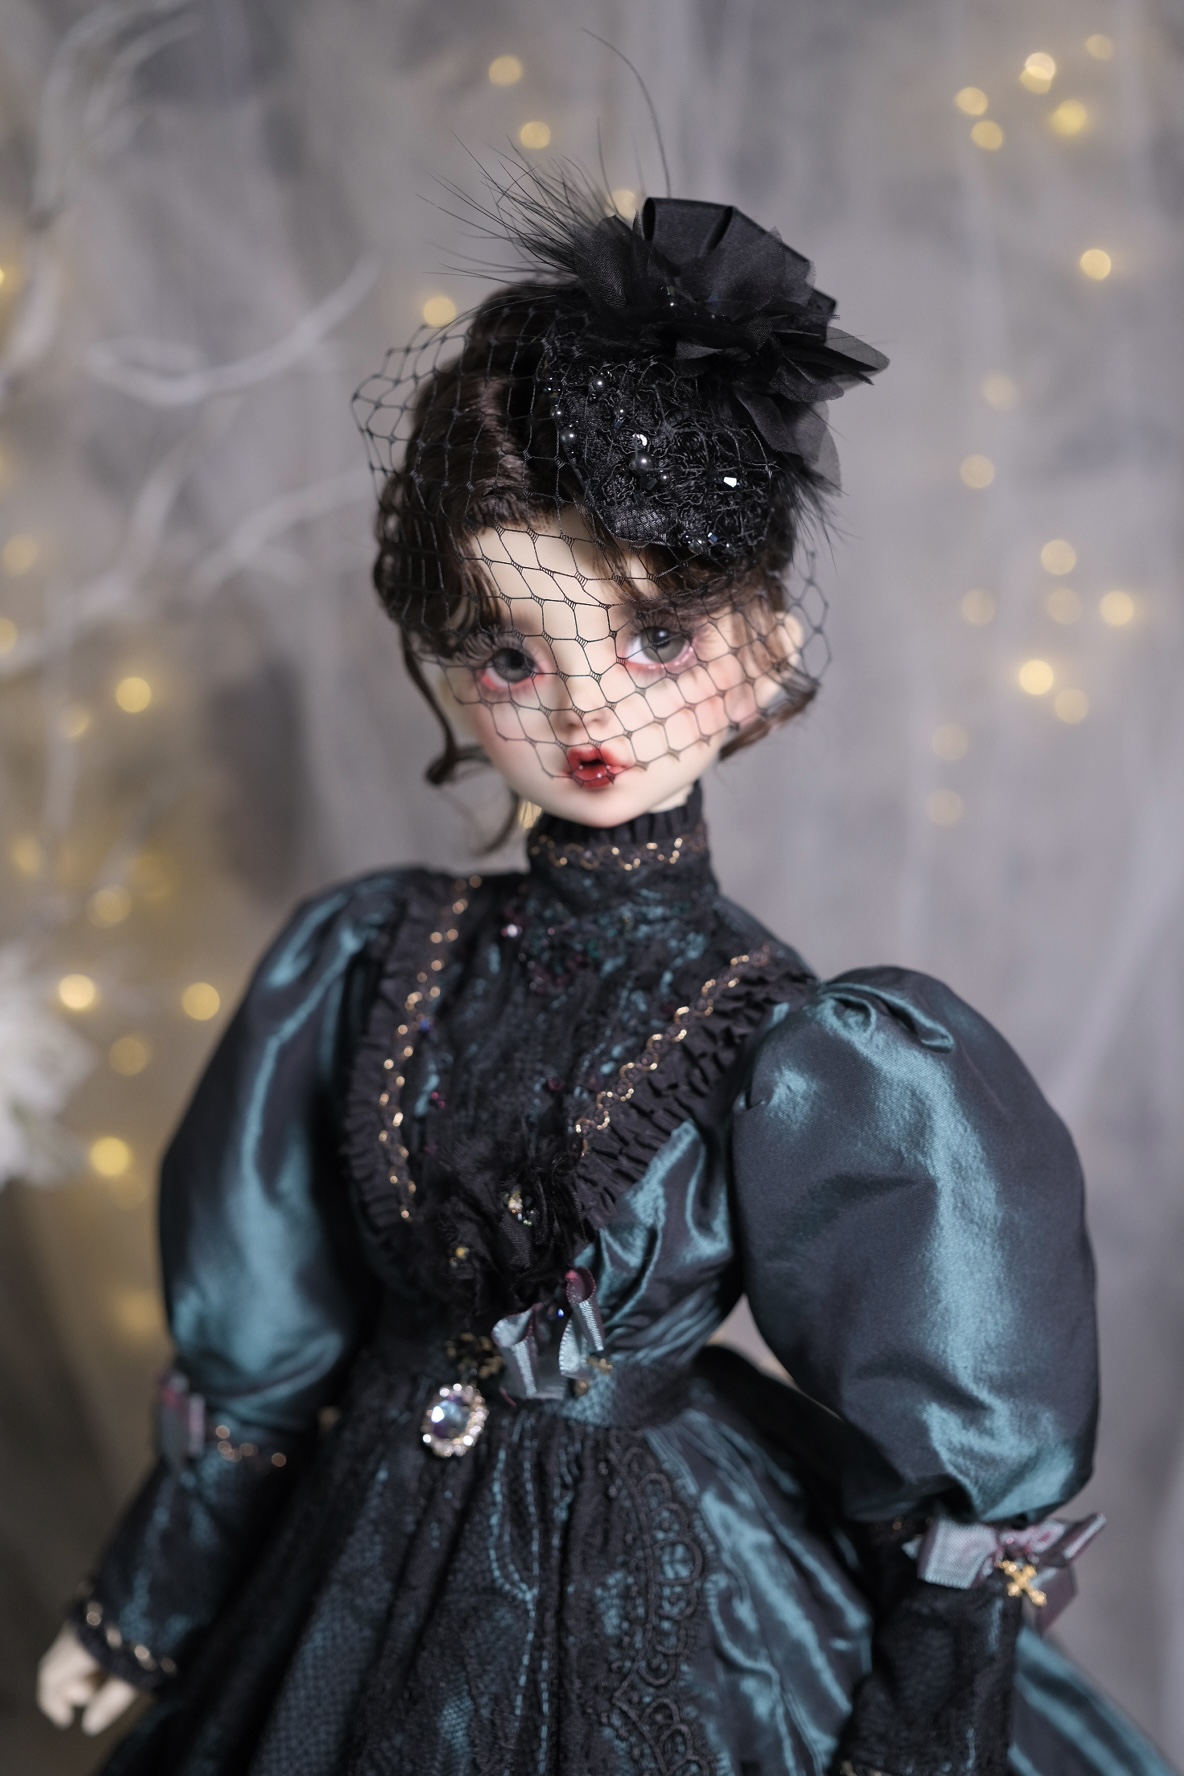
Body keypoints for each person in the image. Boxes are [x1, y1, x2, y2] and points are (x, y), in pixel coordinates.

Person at [37, 177, 1173, 1776]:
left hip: (654, 1580)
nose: (585, 713)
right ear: (451, 672)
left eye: (654, 638)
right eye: (511, 654)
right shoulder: (370, 957)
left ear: (764, 649)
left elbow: (952, 1431)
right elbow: (263, 1330)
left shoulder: (801, 1049)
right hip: (351, 1558)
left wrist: (926, 1714)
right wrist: (145, 1604)